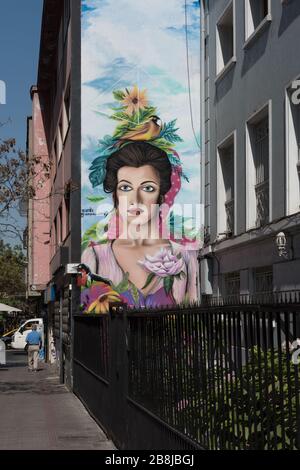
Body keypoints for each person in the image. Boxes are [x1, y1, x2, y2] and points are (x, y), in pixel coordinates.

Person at [81, 142, 199, 308]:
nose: (135, 200)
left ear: (161, 196)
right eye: (125, 187)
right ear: (115, 195)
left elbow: (194, 319)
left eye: (148, 188)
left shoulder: (185, 257)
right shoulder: (94, 258)